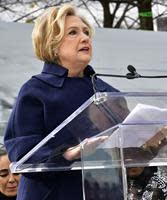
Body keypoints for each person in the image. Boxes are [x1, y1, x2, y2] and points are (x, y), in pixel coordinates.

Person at [4, 4, 127, 200]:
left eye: (86, 32)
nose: (85, 38)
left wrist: (150, 143)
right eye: (73, 33)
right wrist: (69, 153)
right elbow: (21, 152)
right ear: (51, 44)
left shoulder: (106, 92)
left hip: (105, 192)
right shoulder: (35, 91)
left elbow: (127, 151)